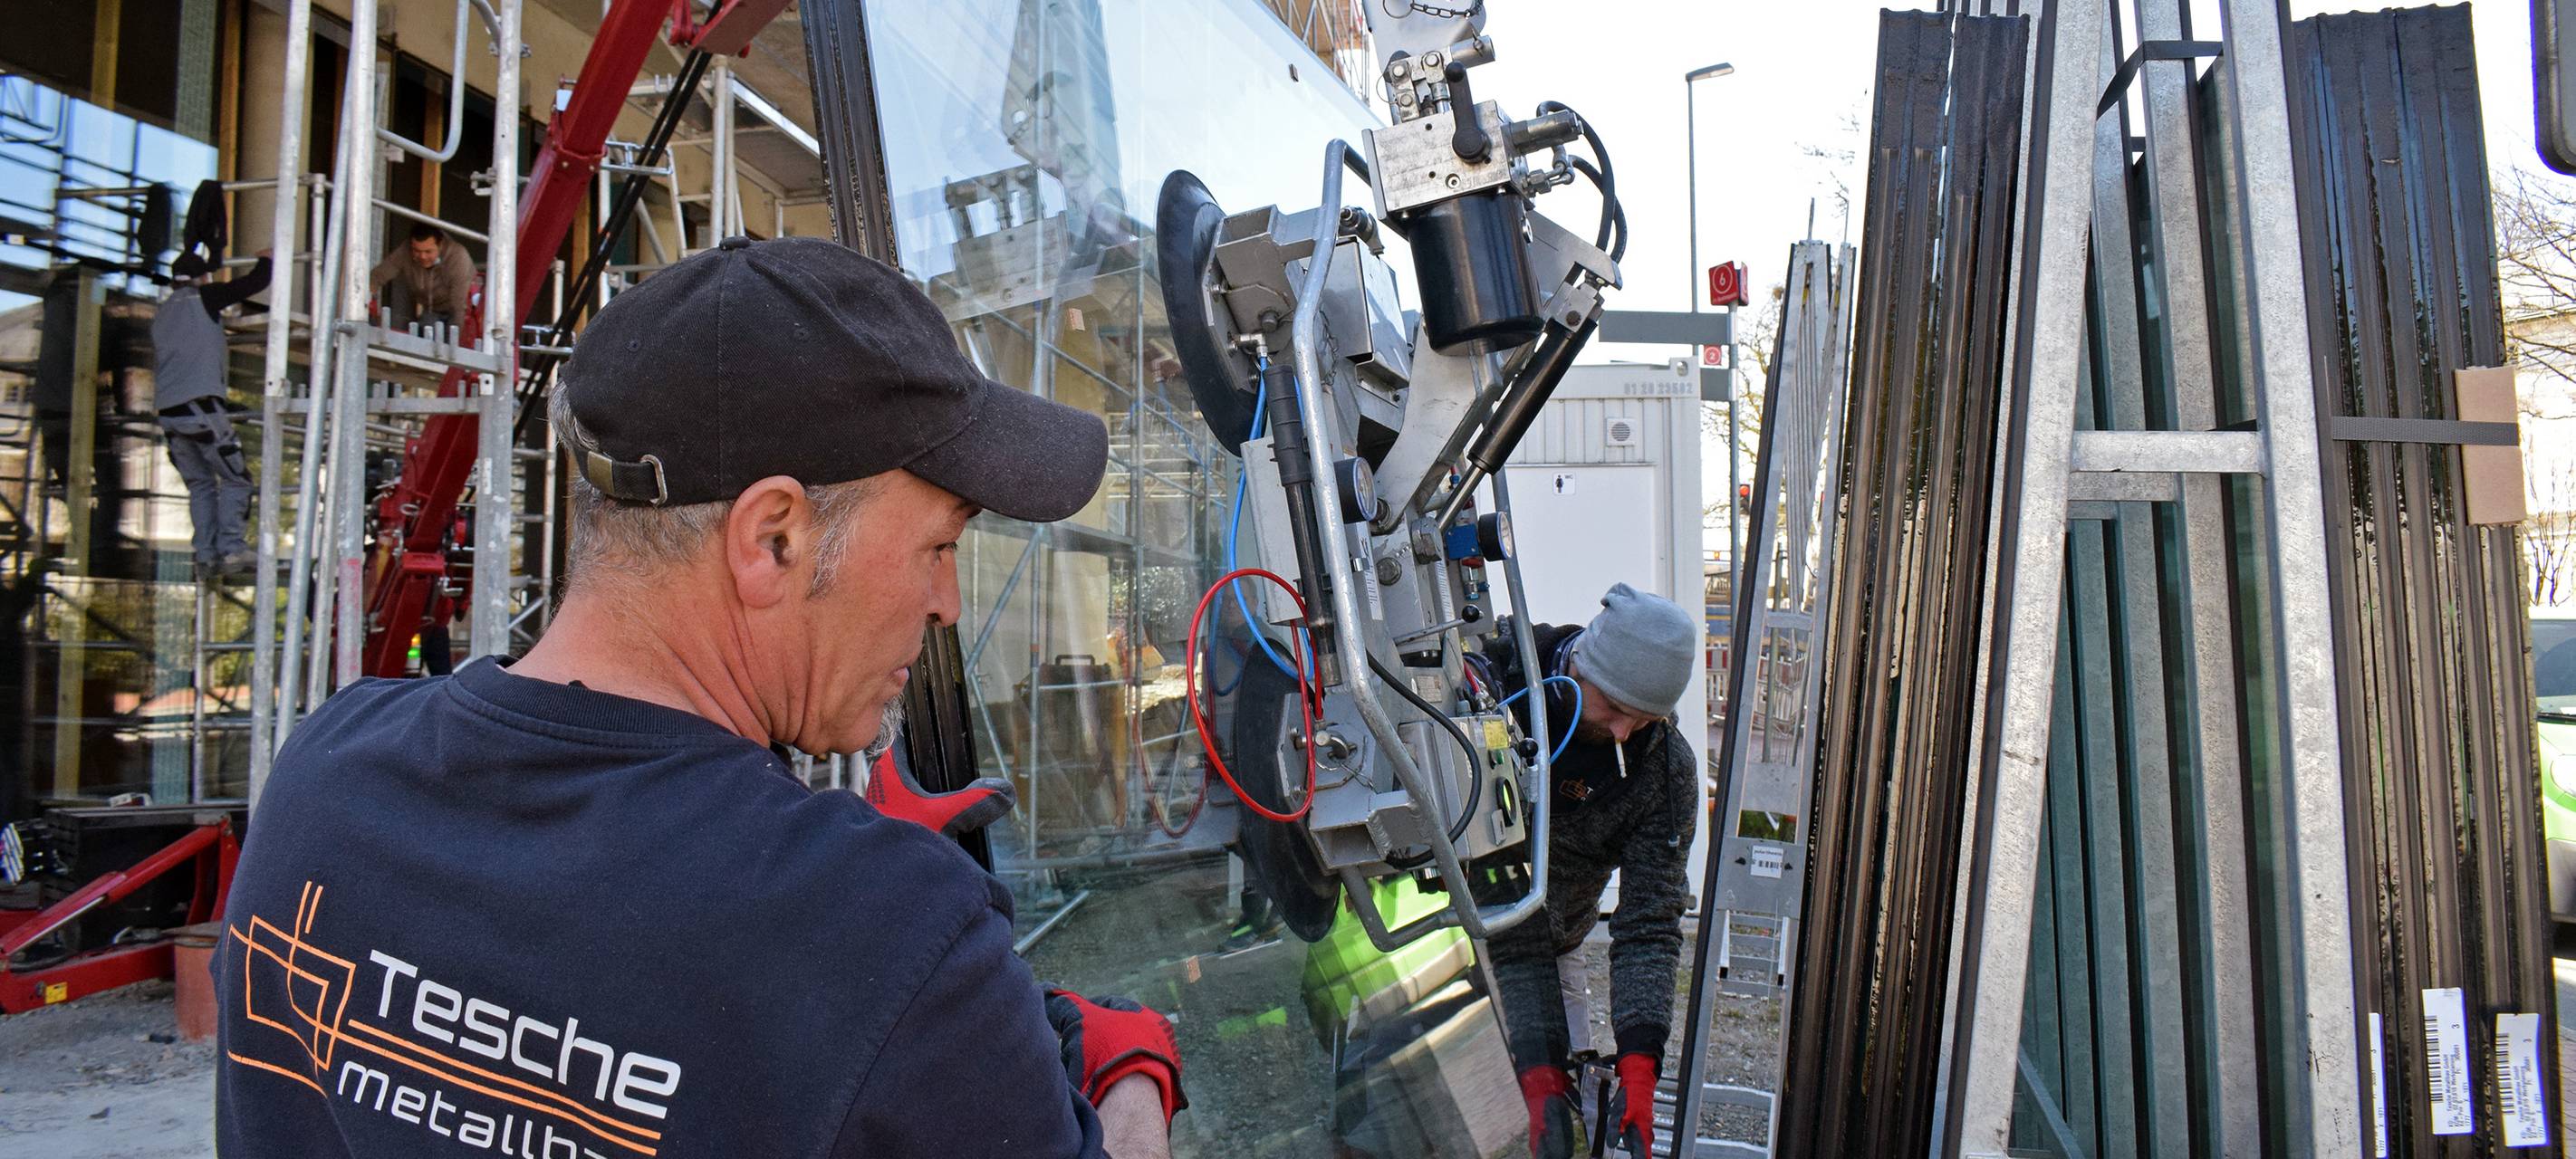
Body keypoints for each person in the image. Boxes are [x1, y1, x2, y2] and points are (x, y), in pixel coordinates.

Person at [216, 236, 1182, 1157]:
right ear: (772, 538)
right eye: (940, 544)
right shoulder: (881, 941)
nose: (946, 603)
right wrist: (1132, 1074)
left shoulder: (322, 776)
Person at [1476, 583, 1701, 1159]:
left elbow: (1648, 922)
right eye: (1617, 709)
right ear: (1580, 665)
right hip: (1447, 942)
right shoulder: (1494, 687)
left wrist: (1640, 1062)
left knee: (1558, 1138)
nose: (1626, 733)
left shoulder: (1664, 770)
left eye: (1647, 720)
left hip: (1552, 953)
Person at [152, 249, 269, 576]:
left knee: (200, 485)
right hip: (200, 409)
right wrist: (267, 259)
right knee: (236, 479)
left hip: (171, 416)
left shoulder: (161, 313)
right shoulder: (204, 297)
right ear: (203, 277)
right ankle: (232, 550)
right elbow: (255, 282)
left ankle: (204, 554)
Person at [369, 222, 476, 334]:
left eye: (428, 251)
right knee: (424, 335)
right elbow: (378, 275)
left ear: (440, 245)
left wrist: (455, 344)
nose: (422, 257)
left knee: (452, 339)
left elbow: (459, 306)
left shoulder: (457, 257)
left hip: (463, 312)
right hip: (432, 311)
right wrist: (366, 301)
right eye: (417, 251)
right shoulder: (405, 251)